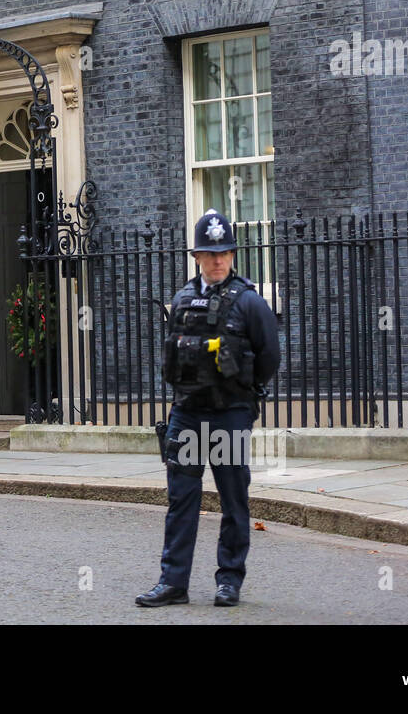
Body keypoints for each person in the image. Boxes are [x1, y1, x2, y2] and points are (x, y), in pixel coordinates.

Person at [136, 209, 280, 608]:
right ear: (197, 256)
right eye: (209, 253)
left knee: (233, 497)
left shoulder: (250, 302)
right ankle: (173, 582)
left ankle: (229, 580)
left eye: (224, 253)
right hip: (187, 412)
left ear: (232, 255)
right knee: (182, 498)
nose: (218, 260)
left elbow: (269, 357)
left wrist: (244, 396)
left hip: (230, 413)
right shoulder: (183, 298)